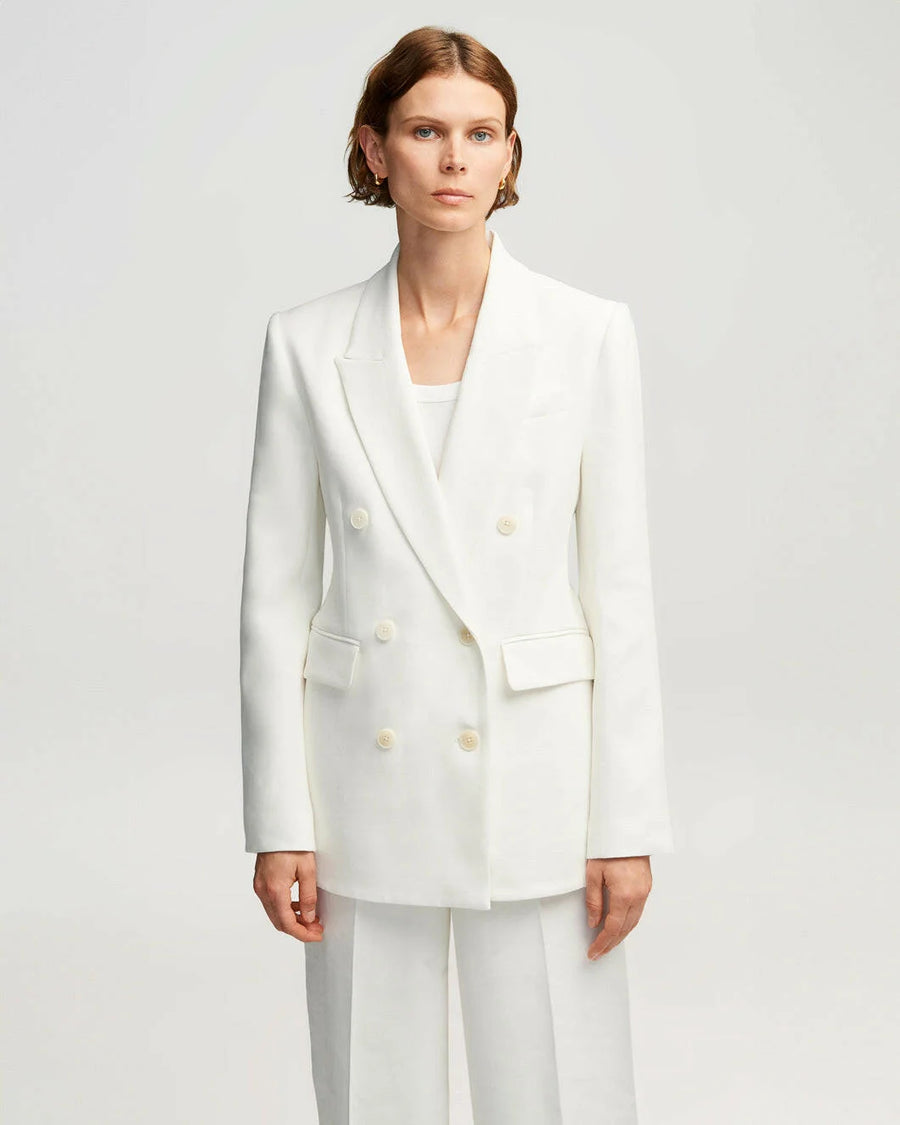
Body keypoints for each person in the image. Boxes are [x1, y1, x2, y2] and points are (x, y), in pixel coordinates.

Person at [239, 25, 675, 1125]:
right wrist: (278, 817)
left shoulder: (586, 334)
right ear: (373, 150)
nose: (454, 159)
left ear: (510, 154)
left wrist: (624, 823)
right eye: (426, 131)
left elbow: (619, 593)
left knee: (561, 1094)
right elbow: (274, 602)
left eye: (482, 134)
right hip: (364, 773)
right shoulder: (306, 343)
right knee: (370, 1090)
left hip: (536, 769)